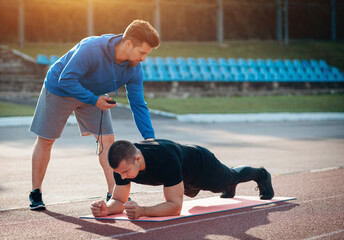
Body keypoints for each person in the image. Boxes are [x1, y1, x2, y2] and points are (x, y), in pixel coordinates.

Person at [29, 20, 160, 210]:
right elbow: (66, 79)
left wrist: (150, 139)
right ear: (129, 44)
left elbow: (138, 104)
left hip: (93, 95)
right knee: (47, 140)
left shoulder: (134, 69)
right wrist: (93, 99)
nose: (144, 58)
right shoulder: (92, 48)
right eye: (142, 53)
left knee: (108, 140)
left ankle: (113, 193)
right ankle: (35, 192)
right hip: (60, 88)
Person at [90, 139, 275, 220]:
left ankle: (261, 174)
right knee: (203, 191)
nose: (121, 177)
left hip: (201, 166)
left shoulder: (165, 158)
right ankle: (228, 187)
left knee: (229, 178)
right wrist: (106, 209)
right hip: (182, 177)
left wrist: (142, 211)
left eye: (125, 172)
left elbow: (175, 207)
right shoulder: (121, 163)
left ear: (138, 158)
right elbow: (119, 200)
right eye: (119, 173)